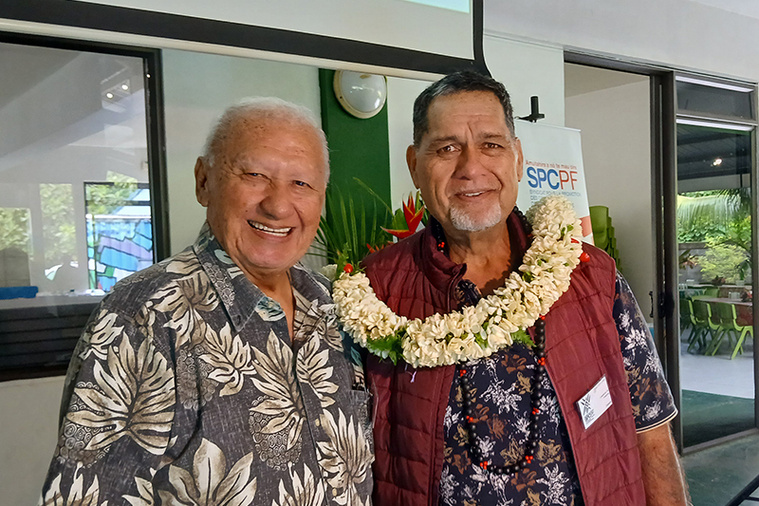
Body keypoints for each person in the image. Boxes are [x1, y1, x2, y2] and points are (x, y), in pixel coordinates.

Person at [357, 72, 689, 505]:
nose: (471, 167)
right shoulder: (373, 294)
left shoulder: (593, 277)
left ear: (517, 159)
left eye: (491, 145)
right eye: (446, 148)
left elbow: (651, 433)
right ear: (414, 165)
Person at [39, 97, 374, 506]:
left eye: (301, 183)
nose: (278, 205)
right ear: (203, 181)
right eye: (254, 174)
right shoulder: (143, 317)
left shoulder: (331, 308)